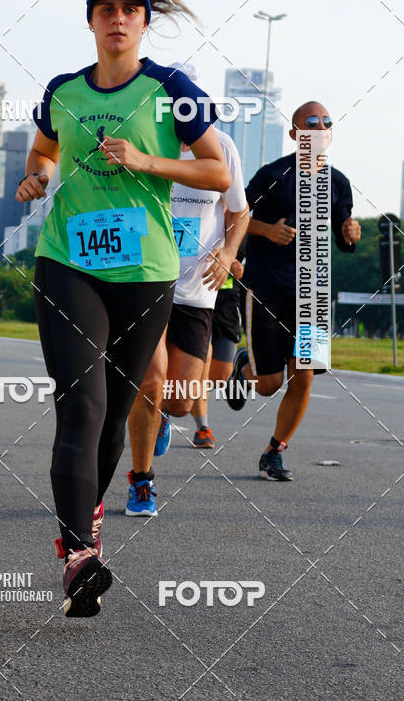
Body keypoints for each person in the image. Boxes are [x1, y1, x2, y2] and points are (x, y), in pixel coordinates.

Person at [16, 0, 230, 616]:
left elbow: (217, 170)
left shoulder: (172, 90)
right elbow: (44, 152)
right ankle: (80, 553)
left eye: (128, 9)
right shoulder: (63, 91)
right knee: (81, 402)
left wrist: (146, 162)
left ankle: (90, 519)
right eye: (104, 8)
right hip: (68, 263)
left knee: (116, 413)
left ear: (142, 22)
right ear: (90, 21)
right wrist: (37, 175)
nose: (116, 18)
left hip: (146, 272)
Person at [229, 102, 361, 481]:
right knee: (270, 385)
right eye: (311, 123)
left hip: (313, 293)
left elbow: (343, 232)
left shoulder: (337, 183)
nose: (319, 128)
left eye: (326, 123)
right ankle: (244, 365)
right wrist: (267, 231)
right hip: (267, 287)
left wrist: (350, 234)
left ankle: (275, 451)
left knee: (303, 376)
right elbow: (235, 216)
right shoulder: (273, 175)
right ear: (294, 134)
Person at [126, 127, 248, 515]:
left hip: (198, 289)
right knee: (150, 378)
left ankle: (163, 416)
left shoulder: (220, 146)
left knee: (179, 402)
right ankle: (142, 481)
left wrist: (228, 252)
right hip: (147, 279)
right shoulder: (142, 137)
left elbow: (239, 211)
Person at [189, 239, 247, 447]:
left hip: (227, 300)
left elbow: (248, 257)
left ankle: (240, 366)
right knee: (200, 363)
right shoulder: (195, 208)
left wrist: (238, 265)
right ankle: (202, 428)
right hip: (193, 296)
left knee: (220, 376)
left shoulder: (239, 216)